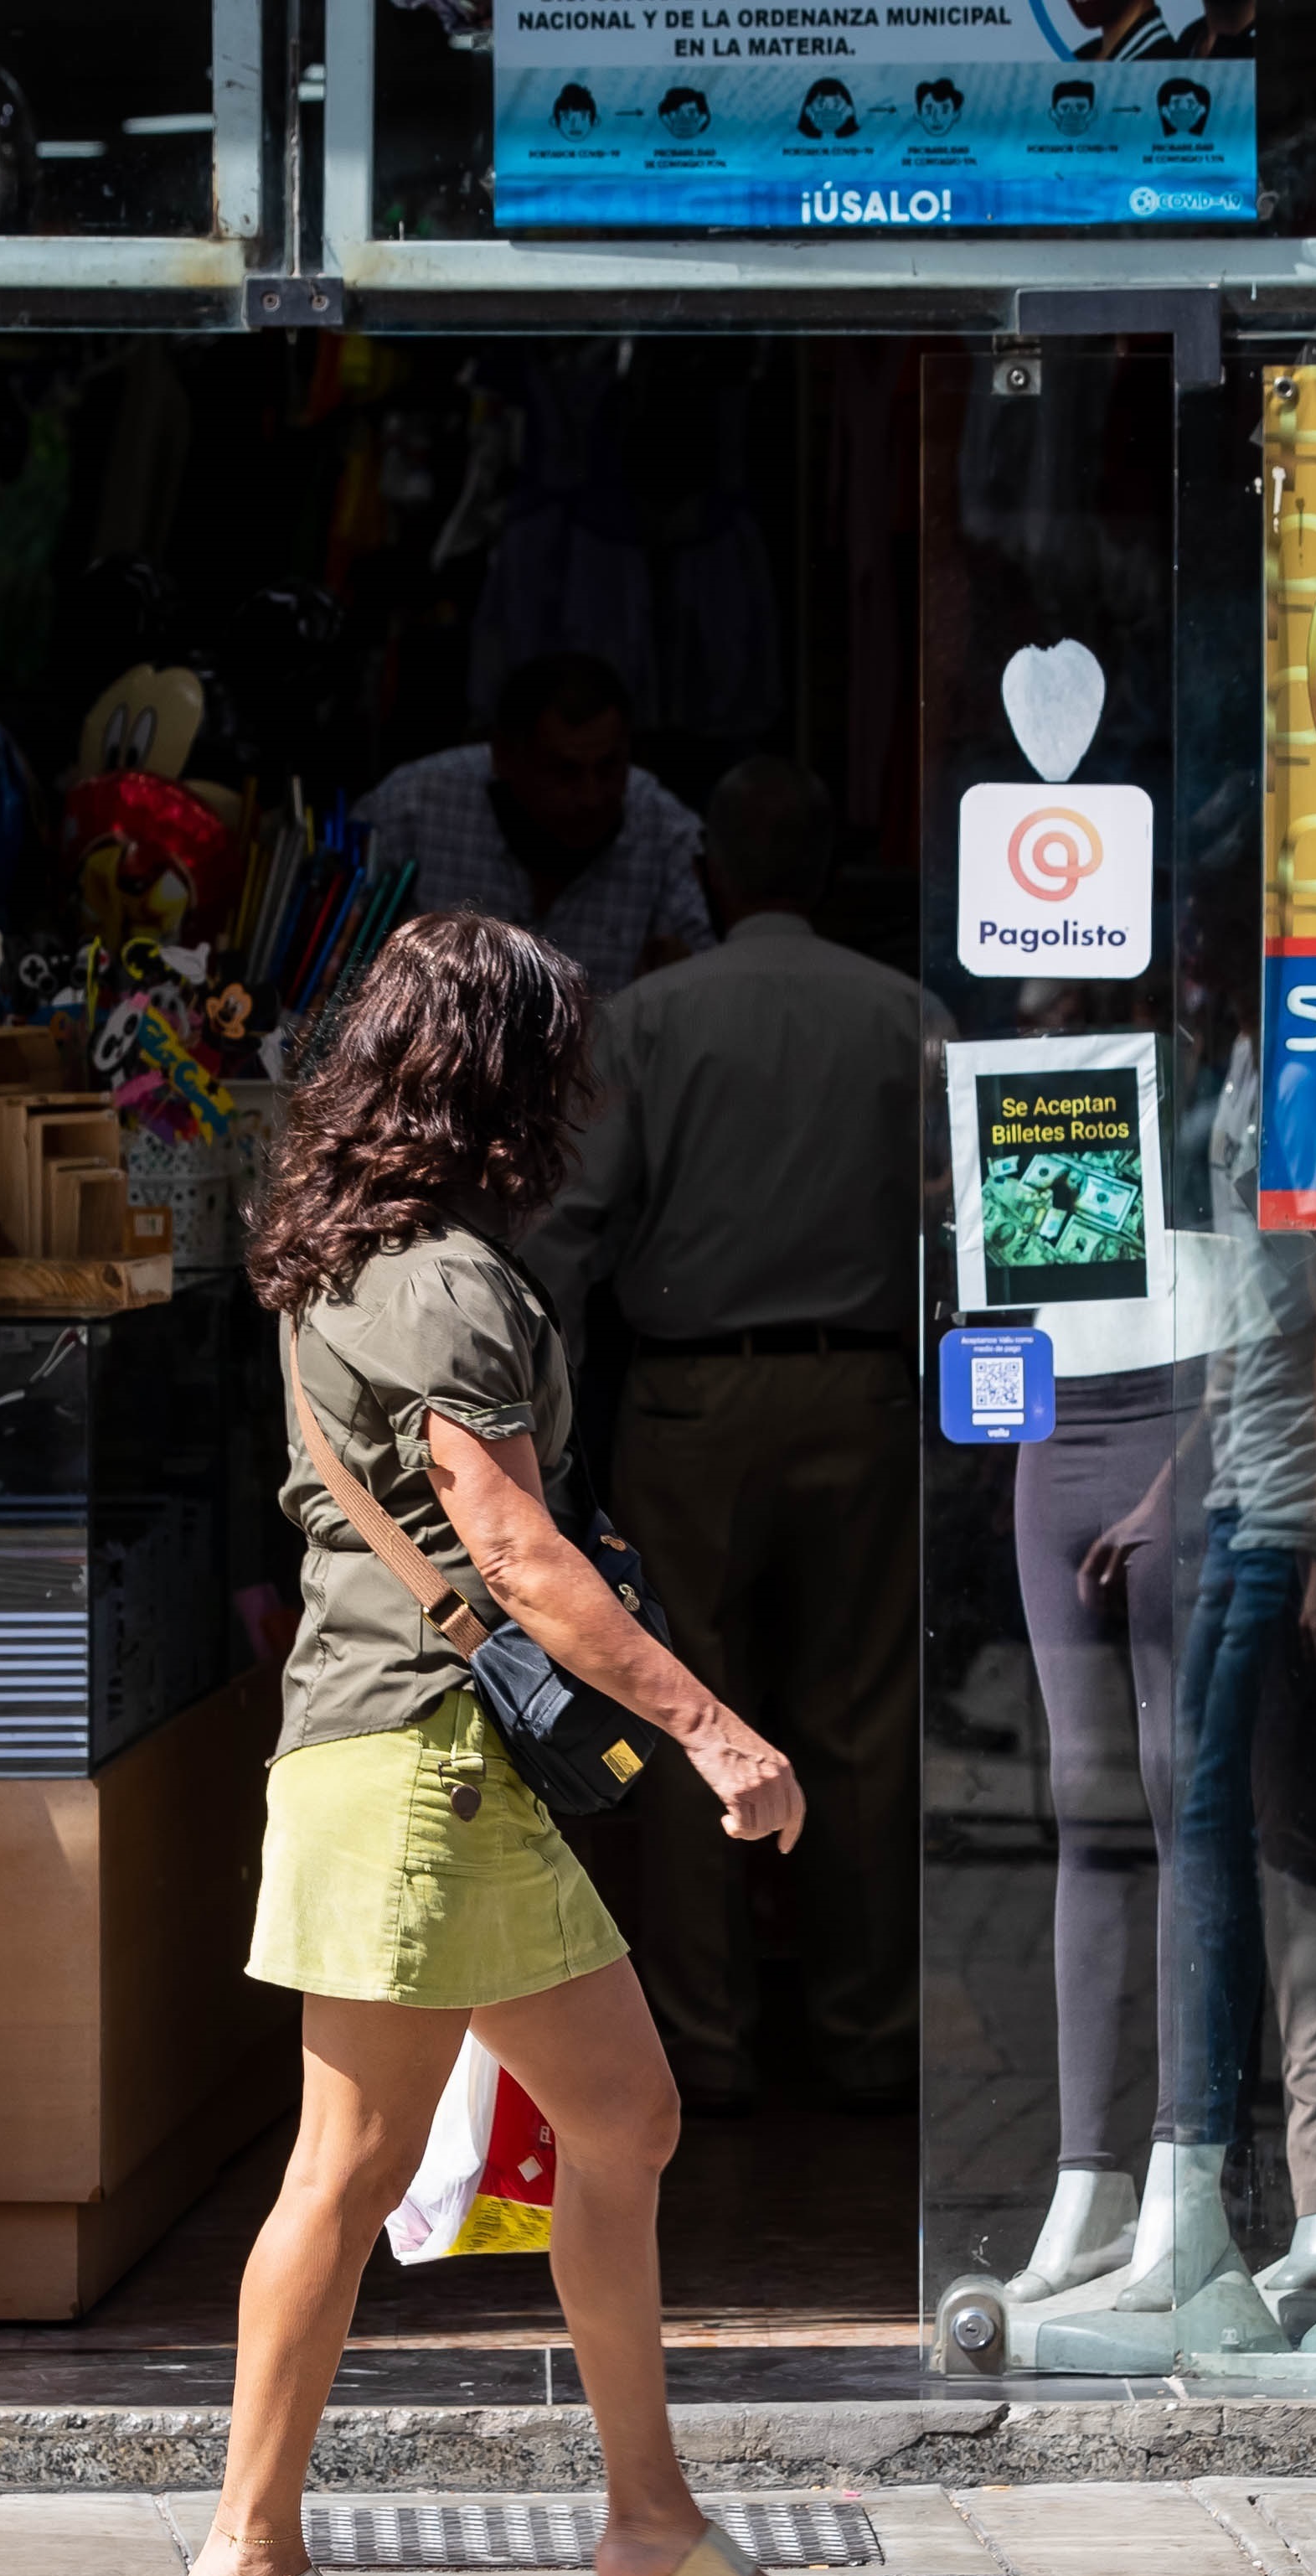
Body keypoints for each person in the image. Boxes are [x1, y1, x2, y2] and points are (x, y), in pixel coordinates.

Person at [179, 909, 839, 2576]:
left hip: (421, 1771)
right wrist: (715, 1731)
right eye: (562, 1058)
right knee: (350, 2164)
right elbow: (516, 1553)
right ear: (505, 1080)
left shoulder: (349, 1258)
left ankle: (649, 2529)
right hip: (419, 1772)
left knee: (620, 2116)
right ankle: (245, 2558)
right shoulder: (452, 1282)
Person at [521, 757, 932, 2116]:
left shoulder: (648, 1020)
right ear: (832, 868)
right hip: (868, 1394)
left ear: (710, 873)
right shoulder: (907, 1016)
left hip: (692, 1404)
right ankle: (869, 2032)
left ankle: (704, 2038)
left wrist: (555, 1415)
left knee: (685, 1706)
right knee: (863, 1720)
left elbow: (569, 1236)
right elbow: (964, 1227)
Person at [362, 652, 709, 997]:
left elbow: (707, 965)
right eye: (564, 771)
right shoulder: (412, 808)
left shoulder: (665, 829)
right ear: (505, 756)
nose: (591, 796)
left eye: (609, 768)